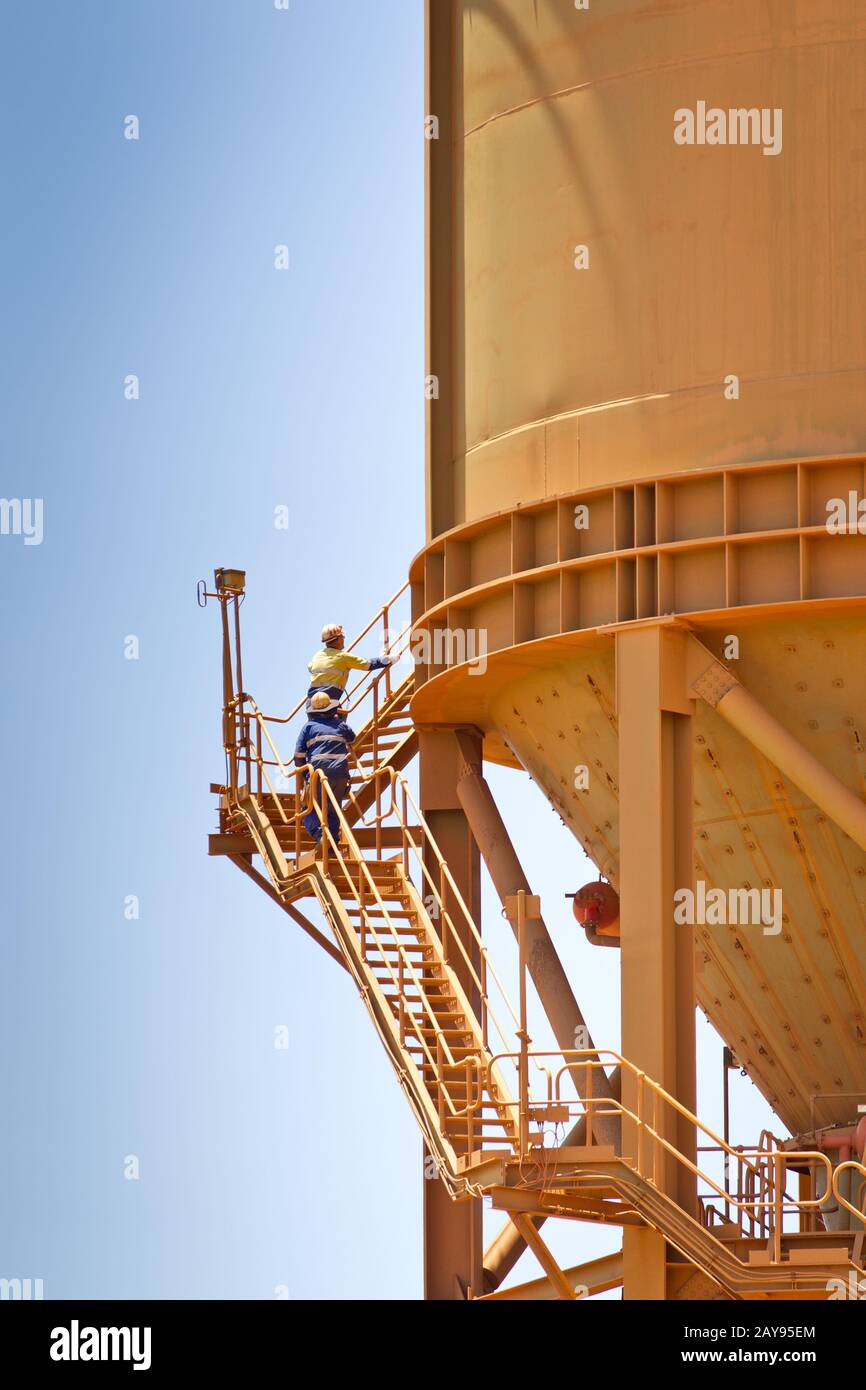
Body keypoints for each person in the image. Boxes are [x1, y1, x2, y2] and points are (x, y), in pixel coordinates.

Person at [294, 691, 357, 846]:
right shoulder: (340, 725)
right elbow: (352, 738)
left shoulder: (308, 727)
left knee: (308, 808)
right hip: (341, 775)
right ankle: (332, 840)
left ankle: (320, 834)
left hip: (319, 774)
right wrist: (339, 721)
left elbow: (298, 756)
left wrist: (305, 776)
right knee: (333, 808)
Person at [306, 622, 393, 709]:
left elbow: (310, 667)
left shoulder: (317, 655)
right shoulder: (343, 657)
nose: (343, 639)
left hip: (311, 704)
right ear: (337, 639)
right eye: (342, 637)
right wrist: (389, 659)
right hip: (327, 703)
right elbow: (368, 664)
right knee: (339, 721)